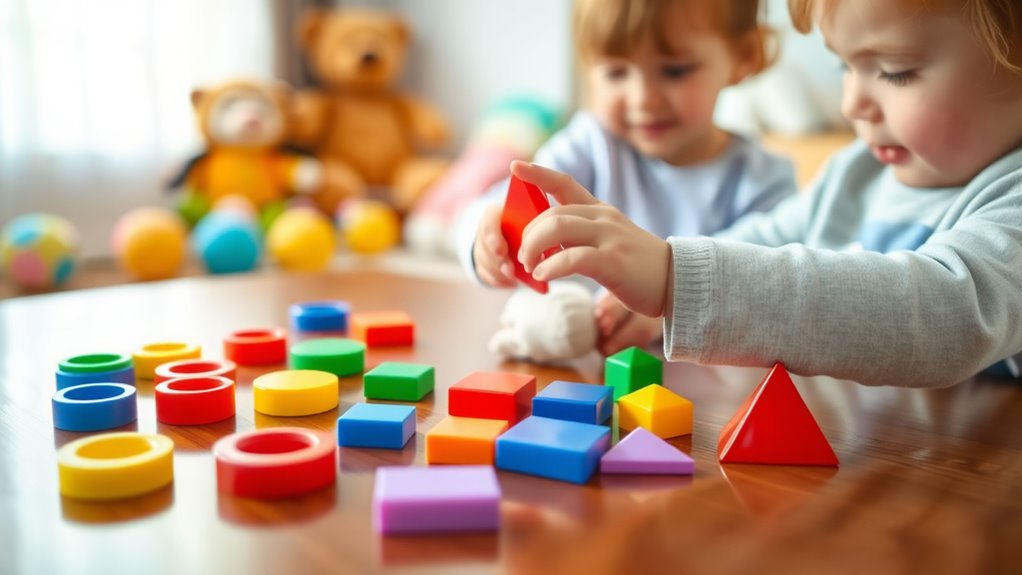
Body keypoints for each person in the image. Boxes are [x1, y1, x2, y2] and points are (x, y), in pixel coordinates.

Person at [512, 0, 1022, 387]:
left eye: (894, 71)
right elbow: (767, 238)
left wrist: (679, 282)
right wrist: (660, 288)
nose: (852, 104)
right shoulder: (855, 172)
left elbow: (946, 315)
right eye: (845, 66)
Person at [457, 0, 797, 356]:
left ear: (743, 56)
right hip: (584, 372)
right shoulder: (591, 145)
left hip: (704, 388)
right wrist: (486, 237)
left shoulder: (762, 181)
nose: (643, 99)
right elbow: (491, 207)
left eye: (675, 71)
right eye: (616, 72)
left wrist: (671, 301)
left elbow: (770, 292)